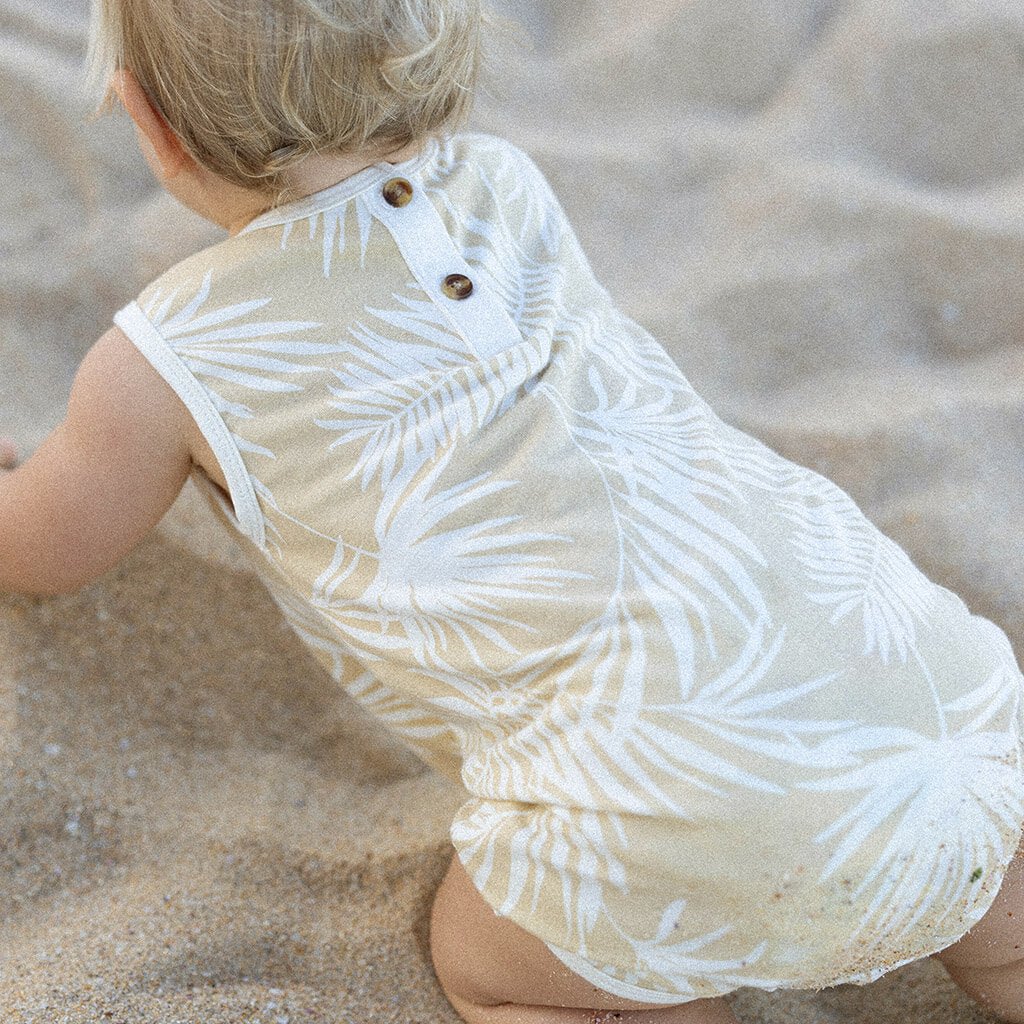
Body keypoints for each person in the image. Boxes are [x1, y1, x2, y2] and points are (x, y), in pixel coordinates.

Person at [1, 2, 1023, 1022]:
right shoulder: (503, 183)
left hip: (672, 808)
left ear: (149, 117)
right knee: (998, 904)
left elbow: (45, 547)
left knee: (486, 955)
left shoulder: (167, 360)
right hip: (936, 692)